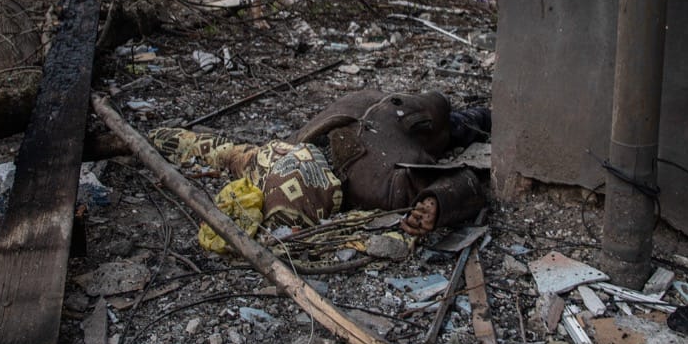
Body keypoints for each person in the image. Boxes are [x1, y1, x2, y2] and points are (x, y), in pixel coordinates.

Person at [147, 89, 490, 235]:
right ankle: (484, 117)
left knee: (451, 112)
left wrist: (179, 141)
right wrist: (435, 204)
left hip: (397, 105)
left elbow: (235, 155)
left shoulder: (283, 155)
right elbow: (463, 180)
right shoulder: (376, 185)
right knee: (464, 125)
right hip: (420, 123)